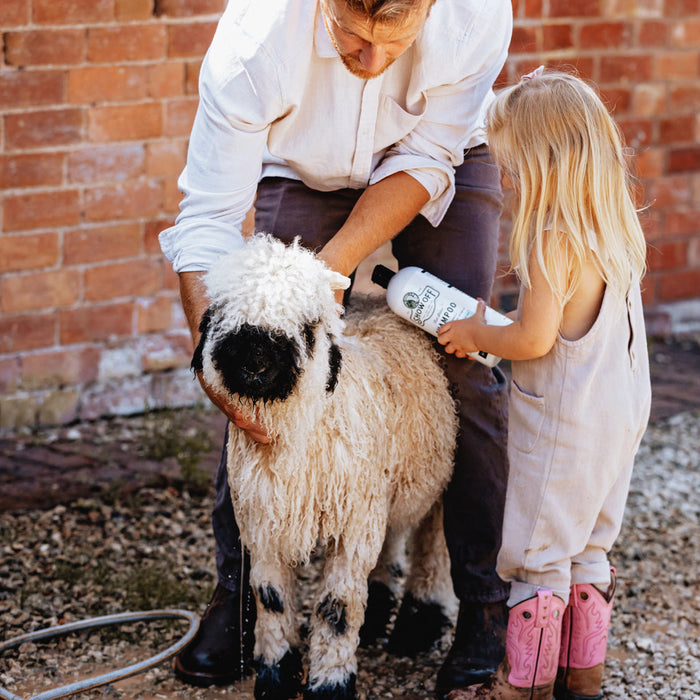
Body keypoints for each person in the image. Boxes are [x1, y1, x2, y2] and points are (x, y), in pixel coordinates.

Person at [158, 0, 513, 696]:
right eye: (351, 35)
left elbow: (427, 156)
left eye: (395, 41)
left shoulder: (474, 13)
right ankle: (242, 594)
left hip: (438, 160)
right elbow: (208, 216)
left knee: (465, 363)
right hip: (300, 165)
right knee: (263, 373)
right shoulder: (254, 43)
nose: (371, 62)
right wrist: (213, 359)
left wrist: (327, 273)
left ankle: (486, 605)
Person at [436, 69, 652, 700]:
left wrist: (476, 332)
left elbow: (532, 341)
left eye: (514, 168)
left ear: (543, 162)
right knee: (587, 547)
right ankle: (582, 681)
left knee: (536, 556)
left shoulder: (552, 239)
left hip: (565, 422)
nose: (508, 181)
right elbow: (567, 327)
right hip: (619, 412)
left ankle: (519, 689)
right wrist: (497, 324)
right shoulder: (615, 227)